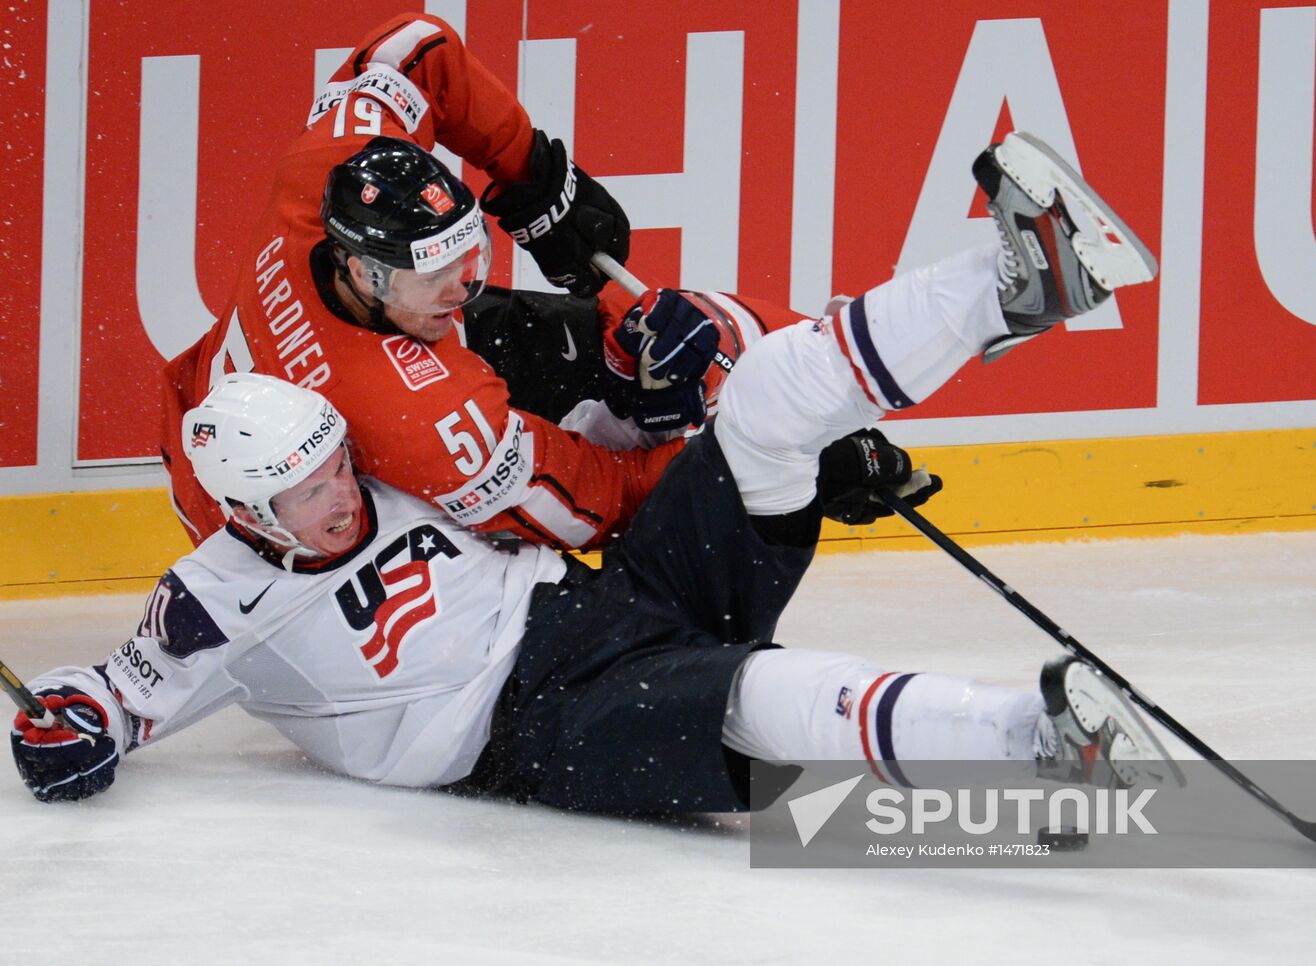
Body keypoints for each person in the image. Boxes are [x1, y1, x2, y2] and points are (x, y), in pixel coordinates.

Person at [12, 133, 1175, 811]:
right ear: (243, 514)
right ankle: (1037, 741)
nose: (341, 491)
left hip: (601, 601)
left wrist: (648, 389)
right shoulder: (215, 599)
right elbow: (113, 695)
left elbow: (592, 468)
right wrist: (68, 727)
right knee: (748, 695)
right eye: (309, 489)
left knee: (763, 398)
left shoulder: (379, 453)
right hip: (535, 726)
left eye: (333, 458)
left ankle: (1015, 286)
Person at [161, 11, 809, 554]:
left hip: (229, 444)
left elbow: (414, 49)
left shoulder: (322, 170)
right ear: (365, 271)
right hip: (294, 562)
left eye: (468, 260)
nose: (461, 289)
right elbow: (601, 505)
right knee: (551, 602)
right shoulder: (419, 416)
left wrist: (537, 177)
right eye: (436, 276)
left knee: (628, 332)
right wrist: (745, 457)